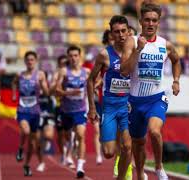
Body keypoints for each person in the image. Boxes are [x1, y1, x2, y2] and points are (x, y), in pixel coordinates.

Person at [120, 3, 181, 180]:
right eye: (147, 20)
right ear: (140, 21)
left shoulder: (165, 45)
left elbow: (176, 61)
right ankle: (140, 173)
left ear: (158, 22)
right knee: (138, 143)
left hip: (156, 99)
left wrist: (176, 81)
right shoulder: (131, 42)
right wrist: (138, 49)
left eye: (154, 20)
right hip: (135, 101)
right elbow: (124, 70)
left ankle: (159, 167)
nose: (150, 23)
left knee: (154, 131)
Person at [87, 15, 132, 180]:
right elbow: (91, 80)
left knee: (127, 146)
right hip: (110, 107)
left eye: (123, 31)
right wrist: (92, 108)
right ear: (111, 34)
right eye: (116, 32)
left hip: (128, 107)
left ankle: (122, 177)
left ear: (128, 32)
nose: (120, 35)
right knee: (108, 152)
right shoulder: (104, 55)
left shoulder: (135, 52)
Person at [55, 45, 89, 178]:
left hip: (80, 110)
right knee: (68, 136)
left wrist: (93, 89)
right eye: (71, 56)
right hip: (66, 111)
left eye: (76, 55)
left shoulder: (86, 72)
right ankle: (69, 146)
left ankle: (80, 167)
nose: (74, 58)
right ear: (68, 57)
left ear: (80, 56)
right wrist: (69, 92)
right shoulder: (64, 72)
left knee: (81, 135)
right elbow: (57, 91)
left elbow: (95, 82)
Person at [13, 51, 49, 176]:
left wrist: (42, 85)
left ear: (36, 61)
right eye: (28, 59)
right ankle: (20, 149)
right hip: (22, 110)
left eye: (32, 59)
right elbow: (14, 83)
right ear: (25, 61)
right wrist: (13, 94)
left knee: (33, 143)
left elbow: (46, 91)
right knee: (26, 131)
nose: (30, 62)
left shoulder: (40, 75)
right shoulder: (20, 75)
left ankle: (27, 165)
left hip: (35, 111)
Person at [49, 54, 76, 168]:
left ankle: (69, 154)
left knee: (71, 132)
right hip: (59, 107)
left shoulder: (71, 74)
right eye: (62, 63)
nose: (64, 65)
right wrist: (56, 85)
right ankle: (63, 153)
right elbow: (50, 91)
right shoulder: (55, 75)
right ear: (59, 64)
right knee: (60, 134)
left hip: (71, 106)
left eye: (66, 63)